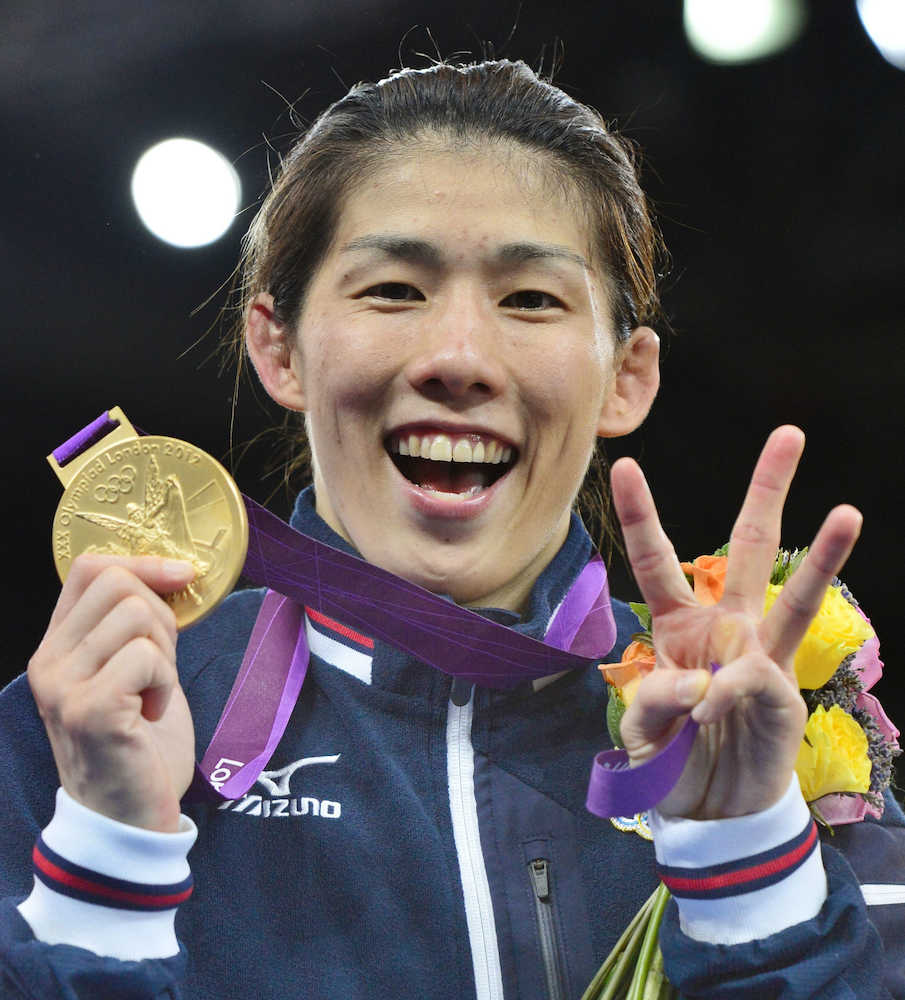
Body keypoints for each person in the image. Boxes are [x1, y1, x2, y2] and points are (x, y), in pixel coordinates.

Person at [1, 58, 903, 999]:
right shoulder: (80, 733)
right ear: (279, 346)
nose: (458, 357)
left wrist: (746, 862)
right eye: (393, 289)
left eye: (530, 299)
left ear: (626, 375)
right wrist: (109, 860)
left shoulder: (763, 734)